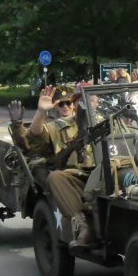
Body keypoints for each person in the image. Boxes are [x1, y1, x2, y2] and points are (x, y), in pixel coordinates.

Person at [28, 86, 98, 247]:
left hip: (104, 170)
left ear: (75, 104)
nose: (65, 106)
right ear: (56, 107)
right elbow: (35, 134)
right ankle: (83, 225)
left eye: (68, 103)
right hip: (76, 175)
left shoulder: (97, 119)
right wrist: (40, 112)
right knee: (55, 177)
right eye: (61, 104)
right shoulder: (56, 126)